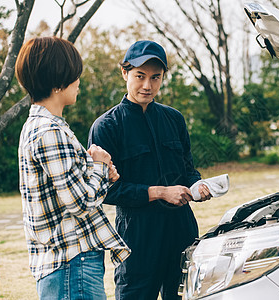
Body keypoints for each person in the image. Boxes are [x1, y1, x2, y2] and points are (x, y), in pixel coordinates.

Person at [88, 40, 212, 299]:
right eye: (140, 76)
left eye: (155, 78)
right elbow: (106, 191)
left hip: (182, 232)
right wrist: (160, 192)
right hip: (137, 238)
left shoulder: (174, 119)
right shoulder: (107, 127)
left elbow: (188, 169)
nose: (147, 85)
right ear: (124, 73)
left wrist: (197, 186)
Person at [16, 36, 131, 299]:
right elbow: (81, 203)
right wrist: (100, 166)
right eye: (74, 74)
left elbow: (70, 192)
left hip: (66, 264)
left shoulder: (39, 127)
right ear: (58, 82)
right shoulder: (50, 131)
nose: (79, 81)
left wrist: (99, 172)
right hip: (71, 264)